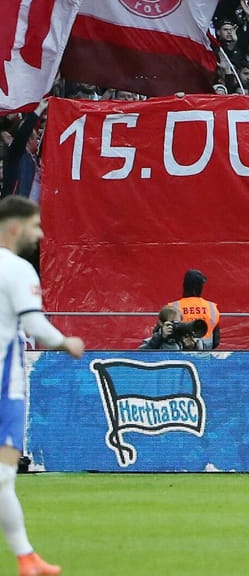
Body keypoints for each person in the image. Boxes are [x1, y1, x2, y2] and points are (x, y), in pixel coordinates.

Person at [0, 197, 82, 576]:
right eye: (35, 226)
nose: (41, 234)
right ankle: (25, 559)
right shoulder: (18, 271)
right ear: (15, 228)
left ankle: (27, 557)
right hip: (5, 389)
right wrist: (66, 342)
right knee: (3, 477)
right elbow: (34, 326)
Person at [167, 269, 219, 350]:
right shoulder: (212, 308)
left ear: (184, 285)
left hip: (179, 356)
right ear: (198, 288)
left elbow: (161, 335)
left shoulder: (172, 307)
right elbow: (216, 341)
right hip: (205, 357)